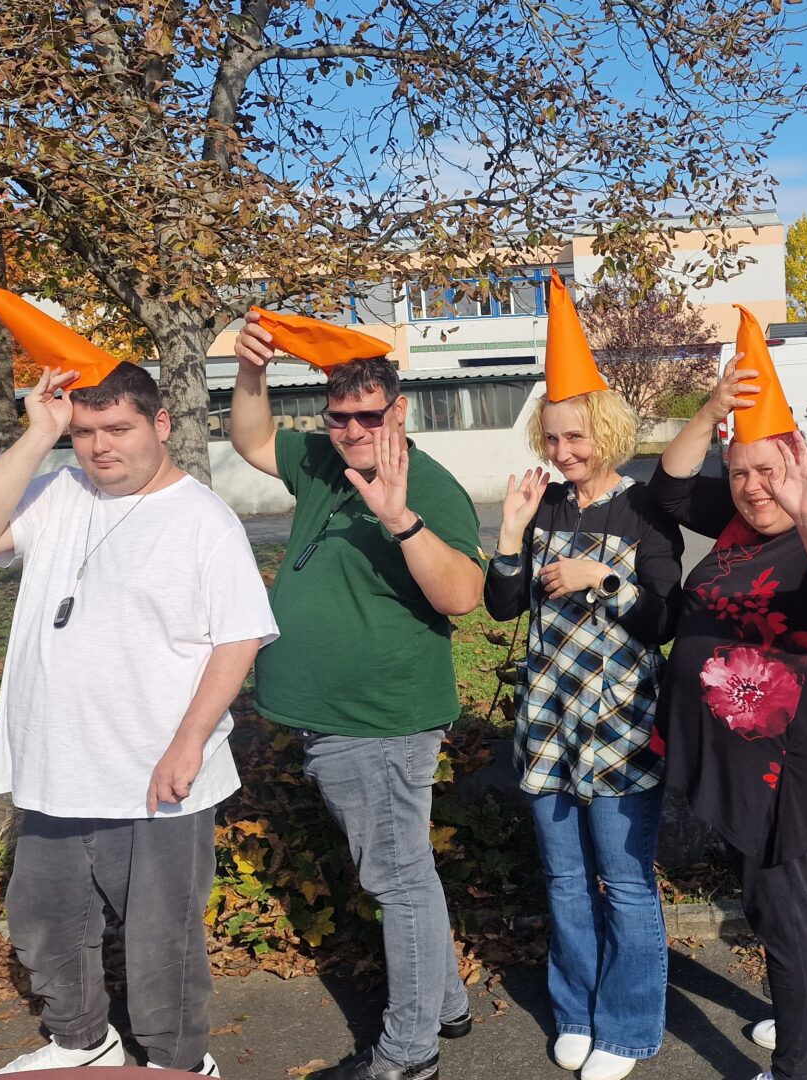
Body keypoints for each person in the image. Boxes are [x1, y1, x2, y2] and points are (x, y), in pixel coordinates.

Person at [0, 275, 277, 1078]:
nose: (100, 447)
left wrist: (189, 743)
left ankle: (179, 1061)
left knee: (162, 939)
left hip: (154, 769)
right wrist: (39, 434)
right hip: (58, 764)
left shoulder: (202, 519)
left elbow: (238, 639)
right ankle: (81, 1039)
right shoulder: (59, 493)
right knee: (46, 919)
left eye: (118, 428)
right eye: (85, 431)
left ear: (160, 424)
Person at [231, 307, 485, 1080]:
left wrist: (402, 522)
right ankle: (447, 1005)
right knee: (406, 870)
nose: (350, 431)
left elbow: (463, 595)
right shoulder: (322, 461)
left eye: (367, 417)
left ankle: (408, 1054)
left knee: (396, 880)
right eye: (337, 416)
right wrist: (251, 370)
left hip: (379, 722)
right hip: (336, 719)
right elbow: (251, 439)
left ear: (397, 411)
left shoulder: (427, 486)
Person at [651, 307, 807, 1080]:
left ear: (801, 461)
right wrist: (713, 410)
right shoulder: (745, 516)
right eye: (740, 472)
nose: (753, 488)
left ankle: (797, 1068)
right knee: (781, 901)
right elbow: (669, 490)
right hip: (735, 753)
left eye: (769, 471)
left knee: (781, 914)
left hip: (779, 761)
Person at [484, 272, 684, 1080]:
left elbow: (663, 619)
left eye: (576, 438)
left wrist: (602, 580)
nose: (563, 453)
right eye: (552, 439)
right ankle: (575, 1008)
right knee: (564, 878)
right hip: (547, 718)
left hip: (621, 723)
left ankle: (628, 1028)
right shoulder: (545, 507)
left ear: (607, 429)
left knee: (626, 884)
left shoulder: (644, 511)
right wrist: (509, 534)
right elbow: (502, 606)